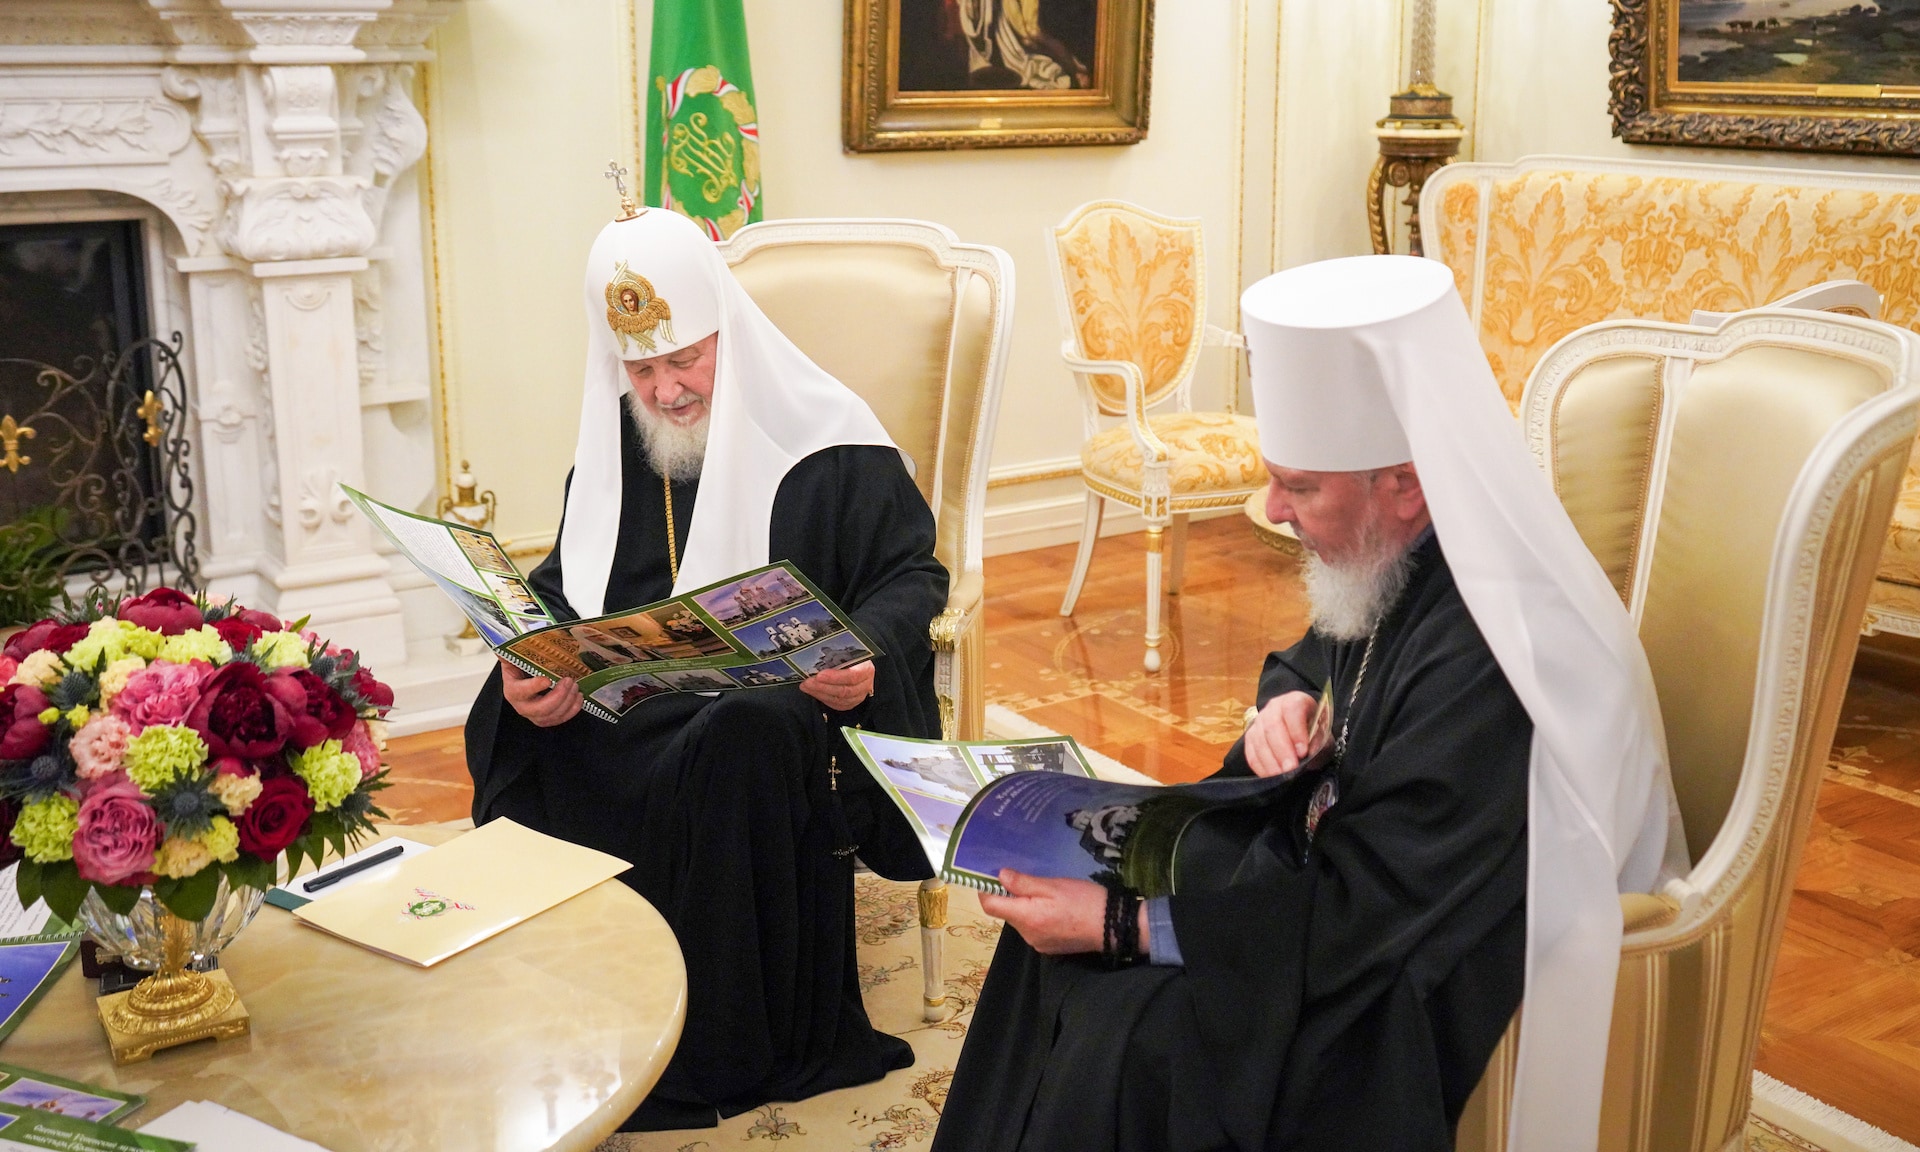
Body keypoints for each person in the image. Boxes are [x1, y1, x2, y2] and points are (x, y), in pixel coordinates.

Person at [933, 256, 1687, 1152]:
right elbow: (1315, 651)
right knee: (1054, 924)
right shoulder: (1402, 553)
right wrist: (1282, 700)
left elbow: (1380, 907)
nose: (1273, 510)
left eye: (1299, 487)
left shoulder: (1495, 650)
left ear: (1404, 483)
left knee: (1125, 1022)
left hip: (1411, 953)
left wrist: (1121, 927)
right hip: (1330, 882)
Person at [464, 204, 947, 1130]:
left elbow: (913, 577)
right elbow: (568, 581)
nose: (668, 390)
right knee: (508, 703)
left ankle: (726, 1036)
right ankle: (578, 988)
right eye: (642, 370)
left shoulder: (828, 436)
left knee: (750, 730)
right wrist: (534, 657)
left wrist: (866, 655)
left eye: (686, 360)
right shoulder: (617, 442)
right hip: (630, 701)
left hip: (765, 710)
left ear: (726, 327)